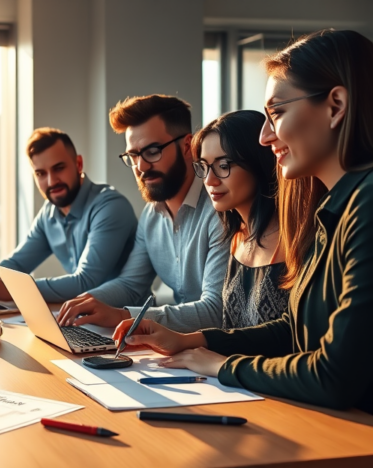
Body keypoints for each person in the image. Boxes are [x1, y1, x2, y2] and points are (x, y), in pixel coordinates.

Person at [112, 29, 373, 413]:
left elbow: (335, 375)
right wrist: (194, 341)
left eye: (276, 114)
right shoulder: (332, 210)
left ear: (335, 106)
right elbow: (293, 330)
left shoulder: (364, 208)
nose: (266, 137)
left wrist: (221, 365)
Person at [57, 96, 229, 333]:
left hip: (220, 353)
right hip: (178, 347)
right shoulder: (151, 215)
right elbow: (131, 285)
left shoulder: (220, 210)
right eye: (133, 155)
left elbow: (215, 311)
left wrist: (124, 316)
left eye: (152, 151)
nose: (140, 167)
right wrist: (83, 302)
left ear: (187, 146)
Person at [0, 128, 137, 303]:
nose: (52, 181)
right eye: (41, 174)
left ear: (78, 164)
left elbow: (86, 281)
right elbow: (16, 264)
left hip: (128, 321)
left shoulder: (110, 207)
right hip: (82, 318)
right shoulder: (49, 213)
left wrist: (14, 291)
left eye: (59, 168)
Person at [191, 110, 289, 329]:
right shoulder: (237, 238)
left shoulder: (295, 237)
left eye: (223, 166)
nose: (209, 180)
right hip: (228, 363)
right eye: (204, 167)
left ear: (258, 162)